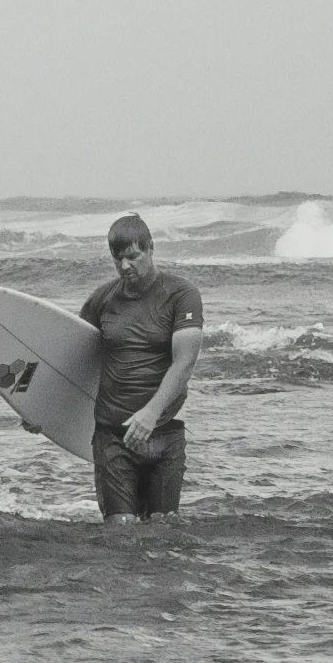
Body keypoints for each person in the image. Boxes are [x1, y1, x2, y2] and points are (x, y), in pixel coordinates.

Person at [77, 212, 203, 522]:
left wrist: (151, 414)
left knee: (162, 531)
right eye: (117, 259)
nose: (124, 266)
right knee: (120, 534)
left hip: (165, 431)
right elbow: (72, 359)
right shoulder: (101, 300)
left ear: (150, 248)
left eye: (132, 256)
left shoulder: (181, 295)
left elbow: (184, 362)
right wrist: (39, 410)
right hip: (112, 435)